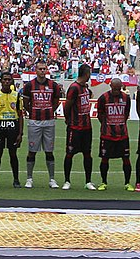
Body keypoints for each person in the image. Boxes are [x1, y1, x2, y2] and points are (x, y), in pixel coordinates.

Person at [20, 58, 62, 189]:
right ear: (36, 70)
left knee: (49, 151)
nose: (42, 71)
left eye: (44, 69)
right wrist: (33, 112)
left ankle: (52, 179)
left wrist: (49, 110)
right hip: (34, 122)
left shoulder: (53, 85)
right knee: (32, 150)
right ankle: (29, 178)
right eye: (40, 69)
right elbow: (26, 103)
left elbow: (56, 102)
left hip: (49, 121)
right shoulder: (29, 86)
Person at [61, 63, 95, 191]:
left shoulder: (85, 87)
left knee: (87, 154)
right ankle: (67, 181)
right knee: (70, 153)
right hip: (75, 127)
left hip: (87, 127)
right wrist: (68, 119)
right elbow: (67, 105)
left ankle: (88, 181)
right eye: (89, 73)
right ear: (86, 74)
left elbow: (89, 97)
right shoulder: (74, 88)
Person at [96, 77, 132, 191]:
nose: (116, 91)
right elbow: (100, 114)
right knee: (104, 158)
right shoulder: (103, 98)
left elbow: (126, 112)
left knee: (126, 158)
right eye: (114, 88)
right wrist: (107, 125)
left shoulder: (126, 98)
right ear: (110, 86)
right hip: (107, 135)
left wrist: (119, 123)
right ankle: (103, 182)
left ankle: (127, 183)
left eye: (118, 89)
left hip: (122, 135)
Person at [0, 70, 23, 188]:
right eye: (5, 80)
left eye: (9, 80)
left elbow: (20, 115)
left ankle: (16, 180)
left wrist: (20, 133)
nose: (7, 82)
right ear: (1, 81)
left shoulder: (16, 95)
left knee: (13, 154)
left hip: (13, 126)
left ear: (11, 81)